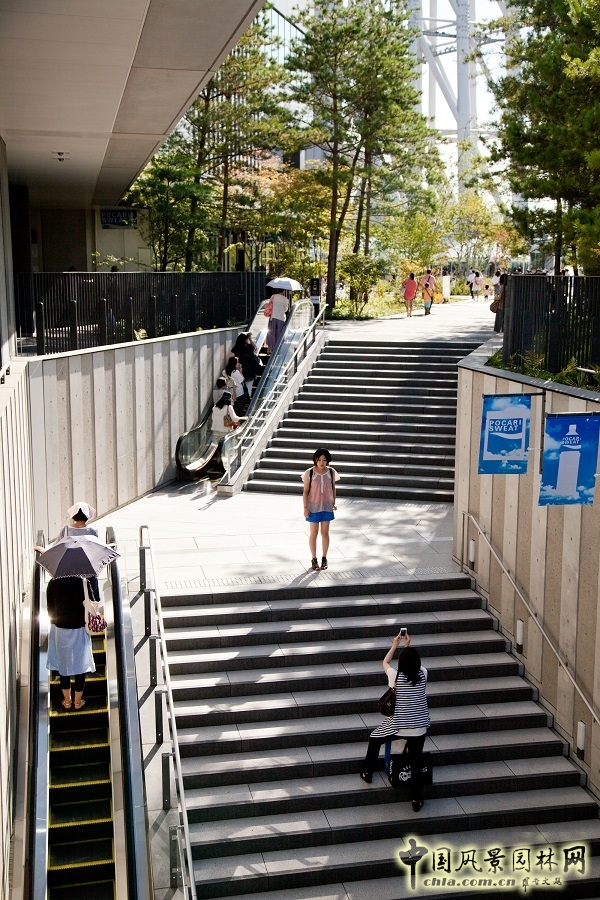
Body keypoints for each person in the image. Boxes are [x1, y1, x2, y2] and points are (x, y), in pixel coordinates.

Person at [360, 631, 430, 813]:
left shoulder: (395, 676)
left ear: (402, 663)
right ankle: (416, 800)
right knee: (416, 762)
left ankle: (367, 772)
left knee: (374, 738)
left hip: (399, 725)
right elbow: (416, 666)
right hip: (420, 727)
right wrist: (408, 646)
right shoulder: (424, 674)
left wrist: (395, 645)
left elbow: (385, 662)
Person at [46, 576, 96, 710]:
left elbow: (50, 609)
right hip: (80, 629)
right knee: (80, 666)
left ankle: (67, 702)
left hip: (60, 630)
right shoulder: (83, 582)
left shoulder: (53, 582)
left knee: (64, 666)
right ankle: (78, 702)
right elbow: (92, 602)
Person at [302, 448, 340, 572]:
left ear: (328, 460)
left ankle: (324, 558)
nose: (321, 462)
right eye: (319, 460)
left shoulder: (331, 472)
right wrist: (305, 507)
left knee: (325, 533)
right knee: (313, 534)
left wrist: (334, 502)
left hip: (327, 507)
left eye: (324, 460)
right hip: (313, 507)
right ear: (315, 460)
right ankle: (314, 559)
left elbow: (333, 488)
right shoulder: (309, 473)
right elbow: (305, 491)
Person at [231, 332, 262, 399]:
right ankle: (248, 401)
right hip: (250, 370)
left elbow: (231, 357)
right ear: (246, 339)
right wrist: (250, 339)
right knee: (249, 388)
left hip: (240, 370)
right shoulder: (249, 347)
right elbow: (255, 348)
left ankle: (241, 400)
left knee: (239, 387)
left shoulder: (236, 348)